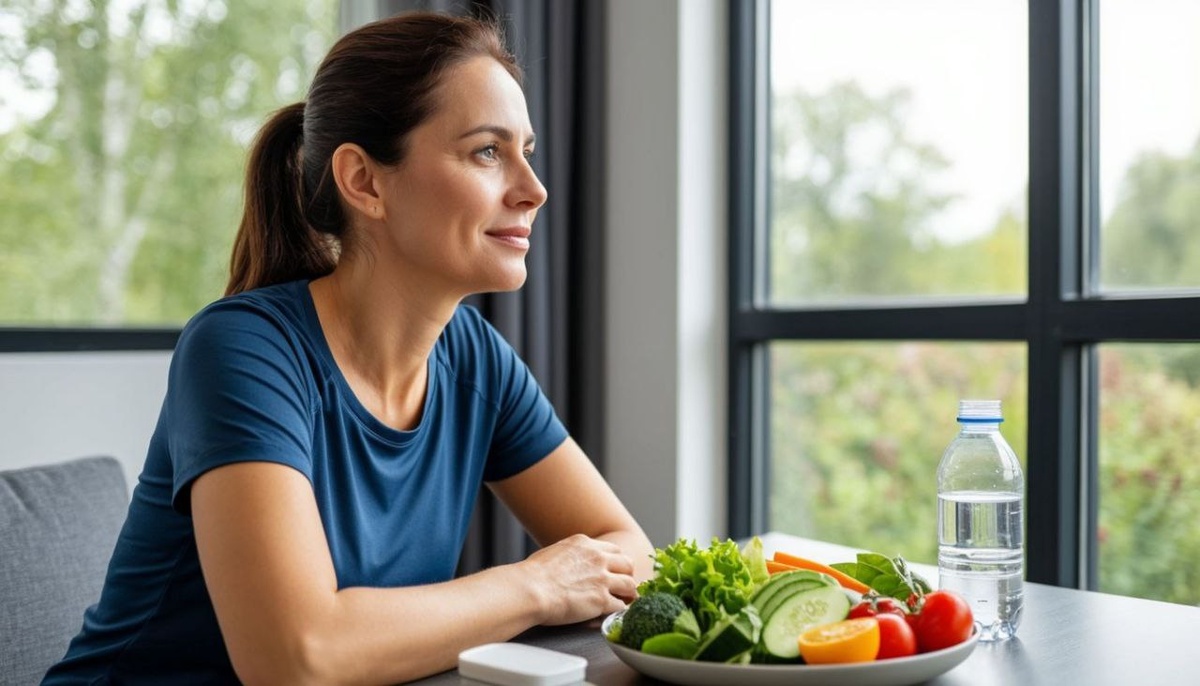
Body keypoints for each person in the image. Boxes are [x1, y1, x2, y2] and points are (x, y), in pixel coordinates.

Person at [44, 11, 653, 685]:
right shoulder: (243, 350)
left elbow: (628, 551)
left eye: (526, 153)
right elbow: (295, 657)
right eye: (487, 151)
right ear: (364, 181)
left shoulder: (475, 358)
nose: (533, 190)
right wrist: (536, 586)